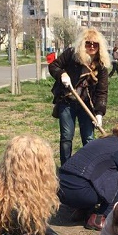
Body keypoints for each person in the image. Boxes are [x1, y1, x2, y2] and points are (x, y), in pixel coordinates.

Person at [59, 122, 118, 231]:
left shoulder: (98, 142)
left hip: (60, 189)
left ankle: (83, 211)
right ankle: (99, 218)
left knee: (98, 177)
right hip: (80, 193)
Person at [49, 28, 111, 165]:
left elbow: (102, 91)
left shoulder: (101, 67)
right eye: (88, 43)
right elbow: (54, 66)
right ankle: (66, 167)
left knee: (89, 139)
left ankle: (89, 168)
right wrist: (62, 74)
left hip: (87, 106)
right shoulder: (72, 55)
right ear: (83, 44)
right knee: (66, 137)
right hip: (67, 101)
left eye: (95, 44)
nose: (92, 46)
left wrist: (99, 113)